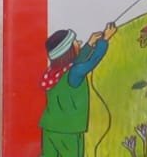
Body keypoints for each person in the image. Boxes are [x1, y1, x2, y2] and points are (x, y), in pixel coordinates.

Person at [38, 22, 117, 157]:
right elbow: (92, 61)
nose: (79, 42)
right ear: (68, 52)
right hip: (69, 131)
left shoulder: (54, 71)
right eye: (75, 42)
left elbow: (75, 62)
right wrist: (104, 40)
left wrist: (89, 44)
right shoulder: (74, 73)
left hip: (49, 128)